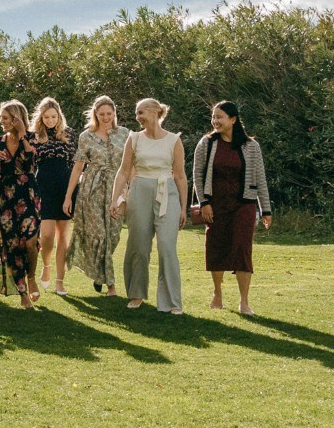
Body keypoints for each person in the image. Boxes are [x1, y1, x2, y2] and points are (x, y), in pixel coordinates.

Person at [189, 100, 272, 315]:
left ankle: (244, 301)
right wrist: (204, 202)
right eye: (214, 117)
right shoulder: (206, 143)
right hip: (215, 205)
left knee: (242, 249)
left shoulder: (251, 146)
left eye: (220, 117)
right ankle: (217, 293)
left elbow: (260, 178)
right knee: (216, 246)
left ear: (233, 120)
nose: (215, 121)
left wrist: (266, 209)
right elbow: (197, 175)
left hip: (244, 204)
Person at [111, 97, 189, 314]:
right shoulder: (134, 139)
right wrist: (114, 198)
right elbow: (124, 171)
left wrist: (183, 207)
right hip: (139, 191)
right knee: (139, 246)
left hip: (168, 193)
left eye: (141, 112)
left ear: (155, 112)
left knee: (166, 246)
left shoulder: (174, 140)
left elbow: (181, 176)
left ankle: (171, 302)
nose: (138, 117)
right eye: (137, 113)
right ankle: (136, 294)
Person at [64, 96, 128, 295]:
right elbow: (78, 168)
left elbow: (130, 165)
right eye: (102, 114)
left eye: (109, 114)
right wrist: (68, 197)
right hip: (92, 189)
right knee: (99, 235)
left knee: (114, 234)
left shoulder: (125, 134)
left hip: (117, 188)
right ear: (95, 115)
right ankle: (110, 284)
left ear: (114, 114)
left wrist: (130, 189)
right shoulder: (86, 136)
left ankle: (99, 272)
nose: (106, 117)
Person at [0, 100, 42, 308]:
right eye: (1, 117)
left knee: (30, 241)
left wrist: (21, 135)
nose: (2, 121)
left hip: (28, 193)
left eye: (6, 117)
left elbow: (30, 162)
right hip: (5, 195)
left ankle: (31, 276)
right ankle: (23, 293)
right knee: (11, 244)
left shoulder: (33, 137)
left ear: (17, 118)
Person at [31, 98, 77, 296]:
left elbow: (77, 165)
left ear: (59, 116)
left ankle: (60, 282)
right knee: (47, 236)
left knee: (63, 238)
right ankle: (46, 264)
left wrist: (71, 194)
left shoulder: (70, 135)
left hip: (66, 188)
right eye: (46, 117)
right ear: (41, 117)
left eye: (54, 116)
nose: (50, 120)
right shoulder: (33, 136)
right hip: (44, 188)